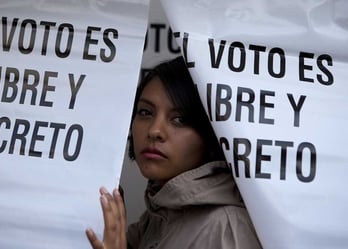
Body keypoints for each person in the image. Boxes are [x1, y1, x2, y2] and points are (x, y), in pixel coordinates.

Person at [85, 56, 262, 249]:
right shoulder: (157, 215)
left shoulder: (225, 228)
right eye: (145, 112)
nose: (154, 131)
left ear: (211, 133)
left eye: (179, 119)